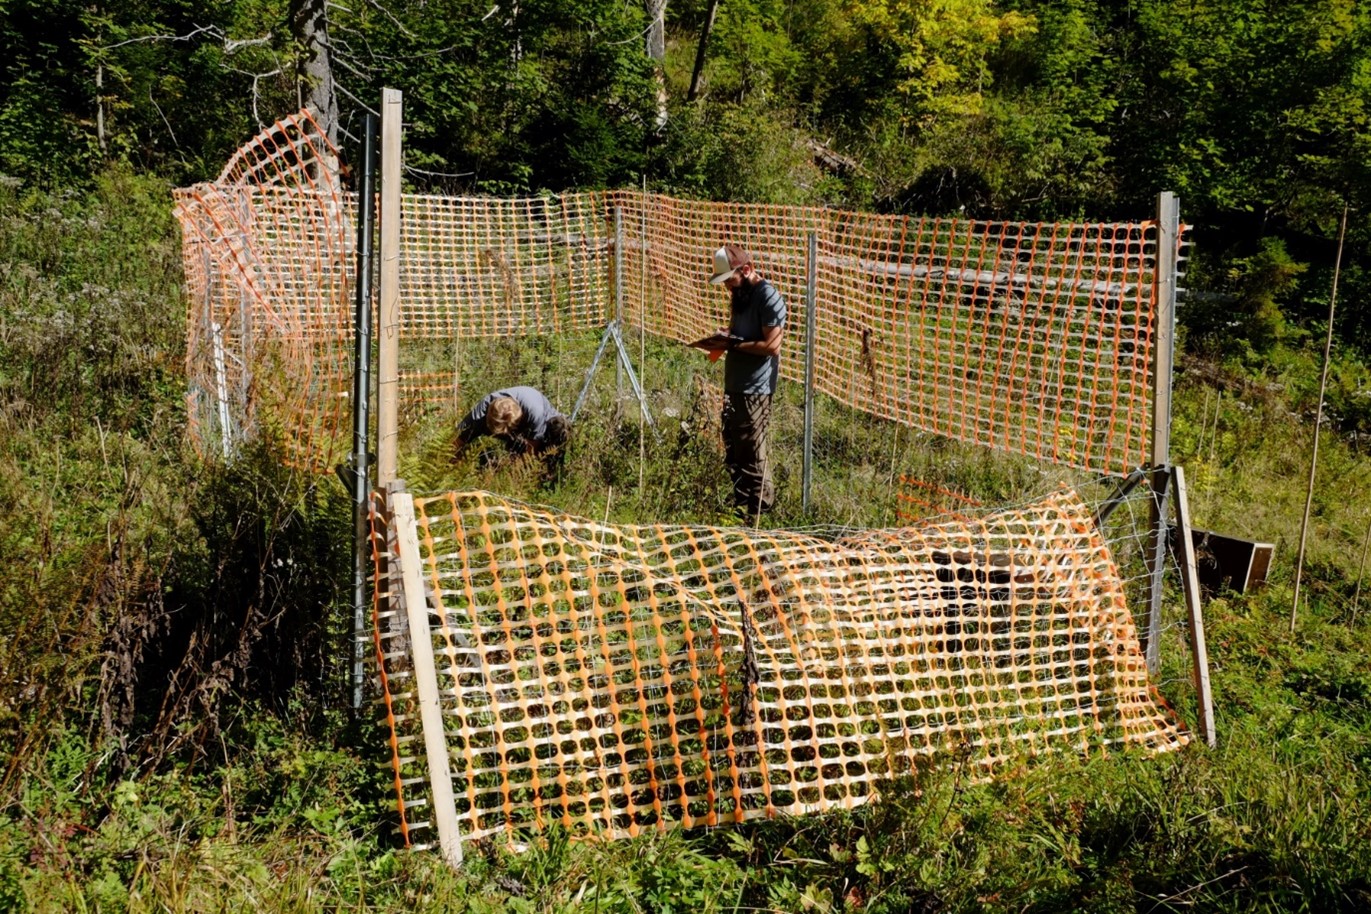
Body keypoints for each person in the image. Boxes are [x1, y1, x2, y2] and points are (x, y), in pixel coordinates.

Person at [707, 244, 786, 516]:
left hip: (755, 389)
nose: (728, 287)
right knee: (733, 449)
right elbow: (737, 329)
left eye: (730, 280)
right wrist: (725, 336)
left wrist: (735, 346)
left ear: (747, 270)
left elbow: (772, 346)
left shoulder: (768, 297)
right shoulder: (740, 294)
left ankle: (759, 515)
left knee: (753, 454)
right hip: (734, 385)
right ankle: (740, 509)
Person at [456, 386, 570, 465]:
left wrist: (518, 473)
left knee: (559, 432)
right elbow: (455, 442)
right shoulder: (477, 417)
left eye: (509, 430)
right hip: (518, 432)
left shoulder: (535, 413)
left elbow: (531, 453)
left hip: (547, 426)